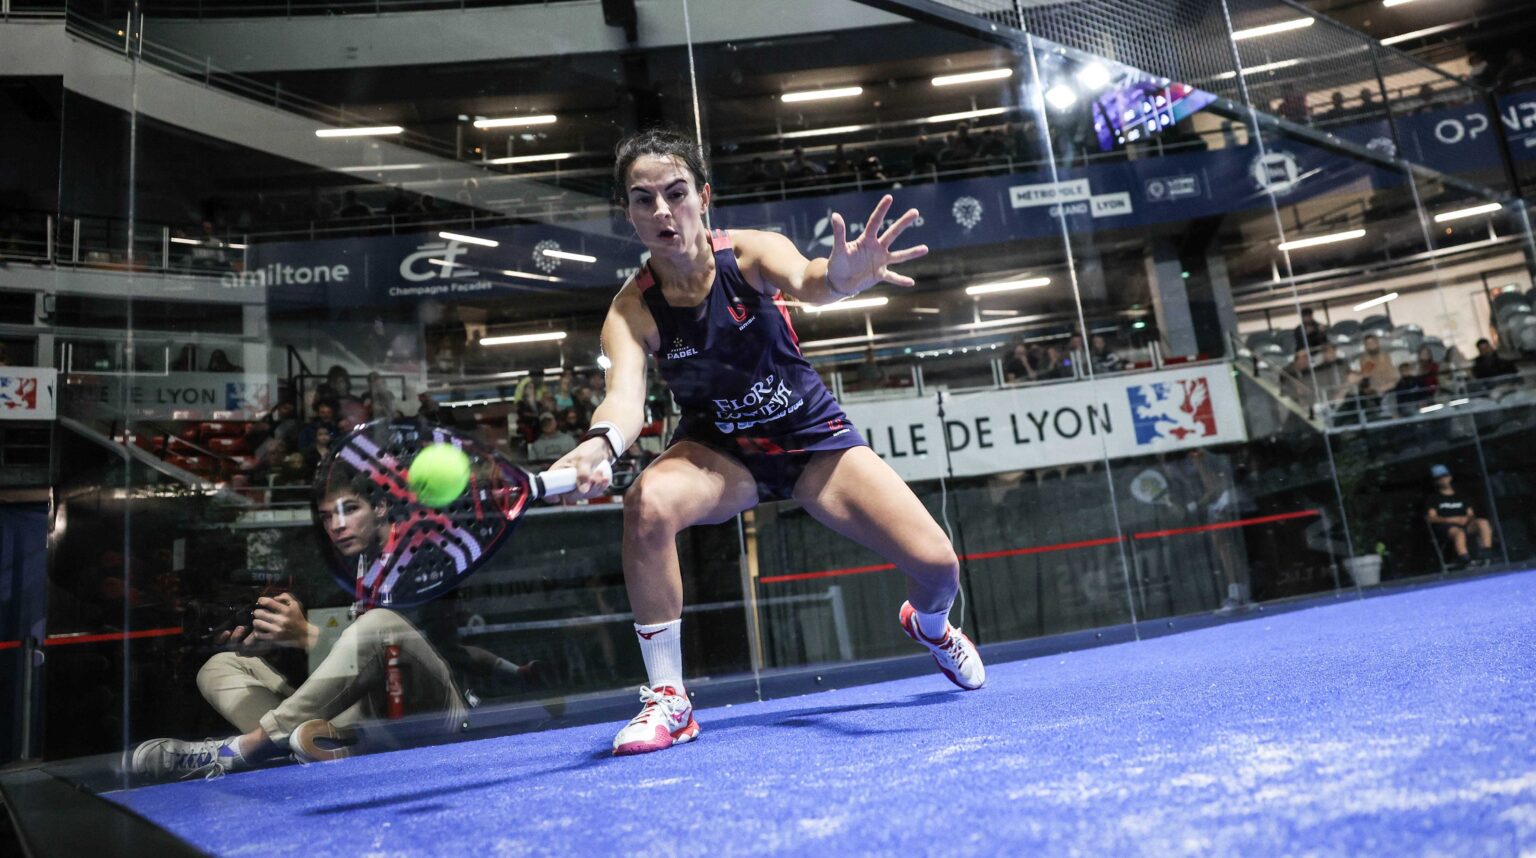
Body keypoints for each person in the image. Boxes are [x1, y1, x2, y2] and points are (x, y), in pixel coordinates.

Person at [551, 128, 984, 757]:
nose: (663, 211)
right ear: (629, 214)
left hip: (811, 440)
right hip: (721, 452)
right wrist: (599, 446)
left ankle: (930, 625)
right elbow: (623, 401)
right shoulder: (631, 310)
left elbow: (810, 279)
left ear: (704, 197)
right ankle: (669, 699)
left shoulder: (750, 253)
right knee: (647, 502)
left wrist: (843, 277)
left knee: (940, 567)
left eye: (676, 193)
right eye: (644, 200)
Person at [130, 471, 473, 779]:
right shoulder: (340, 569)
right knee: (219, 666)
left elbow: (413, 654)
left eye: (350, 509)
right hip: (363, 719)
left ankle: (240, 750)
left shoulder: (422, 558)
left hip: (431, 713)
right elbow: (335, 675)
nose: (337, 525)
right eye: (327, 516)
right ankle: (317, 745)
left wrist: (308, 636)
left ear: (381, 508)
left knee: (380, 623)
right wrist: (276, 646)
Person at [1425, 464, 1495, 568]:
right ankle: (1466, 561)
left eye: (1445, 476)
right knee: (1459, 533)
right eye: (1439, 478)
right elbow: (1431, 518)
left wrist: (1467, 519)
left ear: (1450, 477)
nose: (1443, 479)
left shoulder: (1461, 495)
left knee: (1483, 522)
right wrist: (1451, 519)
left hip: (1466, 525)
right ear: (1436, 481)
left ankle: (1487, 555)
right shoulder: (1433, 498)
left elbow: (1471, 514)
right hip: (1447, 528)